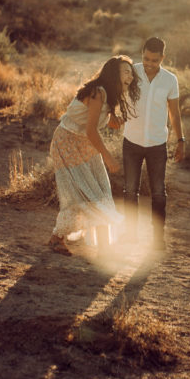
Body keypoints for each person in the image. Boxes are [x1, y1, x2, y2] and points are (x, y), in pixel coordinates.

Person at [48, 55, 140, 256]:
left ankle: (103, 247)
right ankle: (57, 238)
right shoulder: (98, 92)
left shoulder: (109, 96)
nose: (130, 77)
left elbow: (98, 122)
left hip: (84, 144)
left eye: (132, 73)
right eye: (126, 72)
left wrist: (120, 119)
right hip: (67, 142)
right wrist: (107, 156)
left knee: (100, 193)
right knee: (83, 195)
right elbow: (90, 130)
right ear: (113, 73)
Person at [121, 37, 184, 250]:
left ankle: (157, 239)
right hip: (132, 142)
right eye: (146, 58)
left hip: (157, 144)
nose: (149, 63)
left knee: (158, 193)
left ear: (162, 58)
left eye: (154, 60)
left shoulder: (170, 80)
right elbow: (115, 94)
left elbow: (174, 113)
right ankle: (130, 236)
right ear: (142, 54)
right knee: (130, 190)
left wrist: (180, 140)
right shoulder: (131, 72)